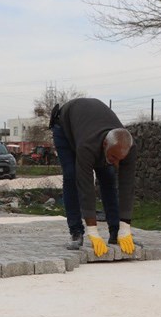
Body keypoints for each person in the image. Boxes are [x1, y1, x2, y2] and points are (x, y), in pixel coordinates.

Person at [50, 97, 137, 256]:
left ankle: (115, 232)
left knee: (108, 177)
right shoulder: (87, 146)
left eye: (120, 159)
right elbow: (86, 186)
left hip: (88, 126)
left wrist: (125, 228)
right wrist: (93, 232)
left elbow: (127, 186)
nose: (117, 164)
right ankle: (76, 232)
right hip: (64, 126)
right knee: (72, 175)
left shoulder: (127, 146)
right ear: (105, 145)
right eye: (113, 158)